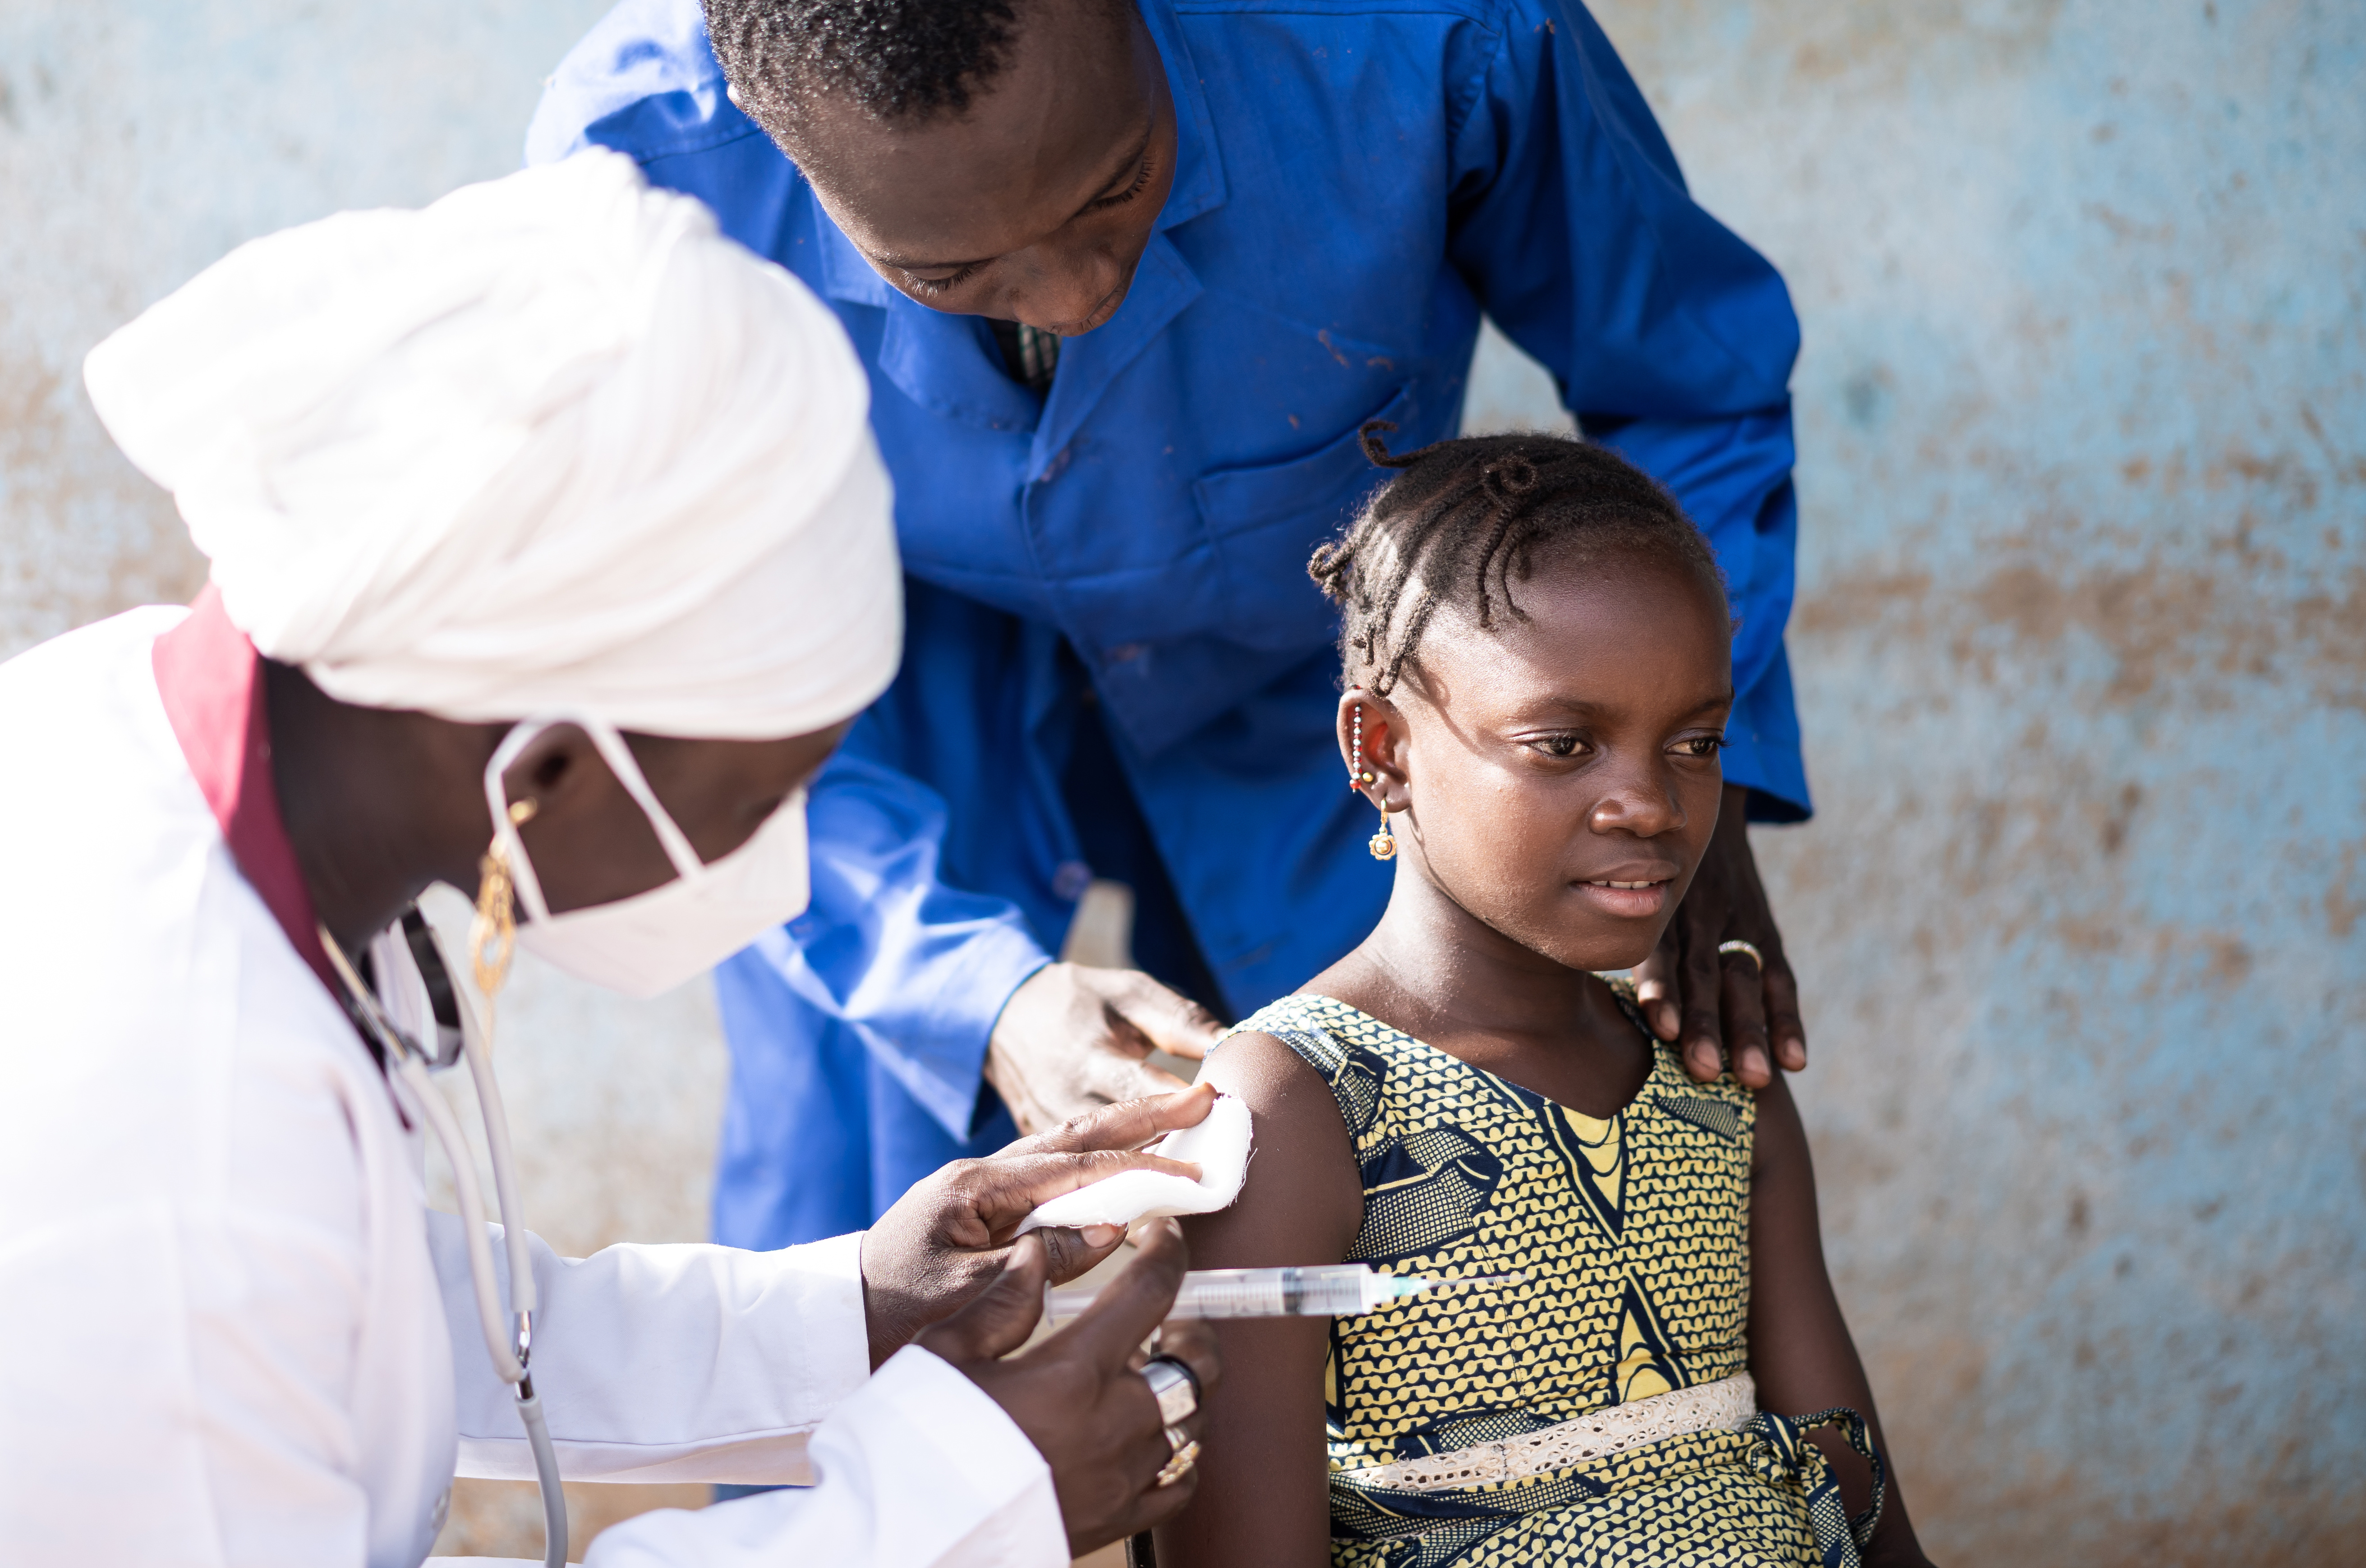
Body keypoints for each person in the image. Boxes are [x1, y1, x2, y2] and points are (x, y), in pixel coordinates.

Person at [0, 151, 1219, 1568]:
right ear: (548, 773)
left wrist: (859, 1304)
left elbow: (361, 1320)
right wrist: (957, 1504)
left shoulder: (173, 739)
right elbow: (231, 1286)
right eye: (765, 791)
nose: (778, 851)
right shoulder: (168, 1124)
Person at [527, 0, 1818, 1255]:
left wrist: (1698, 764)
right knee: (866, 1238)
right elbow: (682, 655)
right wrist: (975, 993)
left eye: (1115, 186)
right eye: (949, 272)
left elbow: (1685, 392)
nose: (1078, 294)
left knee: (1429, 1164)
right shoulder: (638, 172)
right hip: (866, 696)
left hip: (1301, 658)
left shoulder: (1433, 37)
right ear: (769, 130)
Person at [1160, 430, 1934, 1566]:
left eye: (1696, 741)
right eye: (1564, 742)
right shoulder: (1297, 1106)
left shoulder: (1714, 1081)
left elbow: (1857, 1497)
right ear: (1382, 747)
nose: (1649, 803)